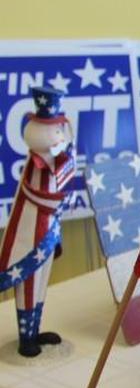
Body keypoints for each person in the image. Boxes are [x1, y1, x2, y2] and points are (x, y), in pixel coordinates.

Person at [0, 86, 76, 358]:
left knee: (41, 282)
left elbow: (62, 180)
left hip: (47, 233)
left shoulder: (54, 162)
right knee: (29, 283)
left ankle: (35, 331)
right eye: (52, 130)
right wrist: (58, 203)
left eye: (58, 129)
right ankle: (25, 336)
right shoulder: (36, 164)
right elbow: (35, 195)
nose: (57, 135)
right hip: (30, 237)